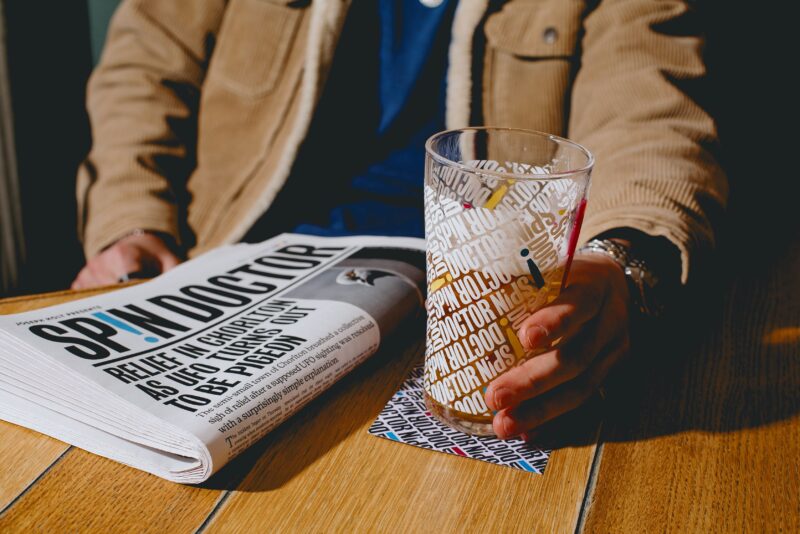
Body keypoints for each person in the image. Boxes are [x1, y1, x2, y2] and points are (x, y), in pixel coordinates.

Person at [71, 0, 727, 440]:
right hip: (234, 265)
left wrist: (621, 259)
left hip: (477, 308)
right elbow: (147, 64)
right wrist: (131, 220)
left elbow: (653, 108)